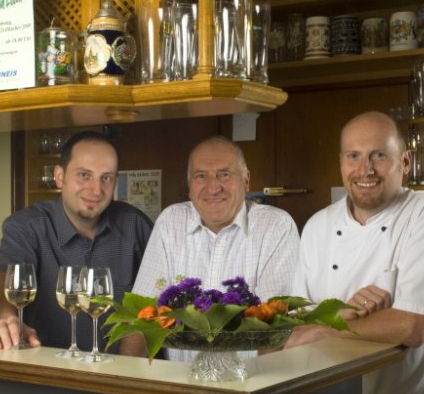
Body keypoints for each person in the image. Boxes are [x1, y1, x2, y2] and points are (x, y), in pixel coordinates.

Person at [286, 111, 424, 394]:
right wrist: (345, 315)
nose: (364, 169)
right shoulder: (318, 226)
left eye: (379, 155)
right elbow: (295, 327)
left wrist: (326, 328)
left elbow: (413, 327)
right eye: (353, 156)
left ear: (405, 163)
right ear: (341, 163)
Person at [120, 136, 300, 359]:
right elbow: (141, 316)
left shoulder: (275, 226)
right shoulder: (171, 222)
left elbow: (273, 325)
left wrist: (254, 392)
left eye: (224, 174)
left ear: (246, 181)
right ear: (189, 186)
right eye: (200, 176)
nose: (213, 187)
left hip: (248, 384)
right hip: (178, 385)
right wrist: (125, 388)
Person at [0, 131, 153, 351]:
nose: (96, 190)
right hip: (48, 375)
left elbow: (161, 297)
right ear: (59, 176)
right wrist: (6, 318)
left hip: (119, 375)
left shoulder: (136, 225)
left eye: (106, 178)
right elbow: (2, 279)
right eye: (84, 175)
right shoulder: (27, 227)